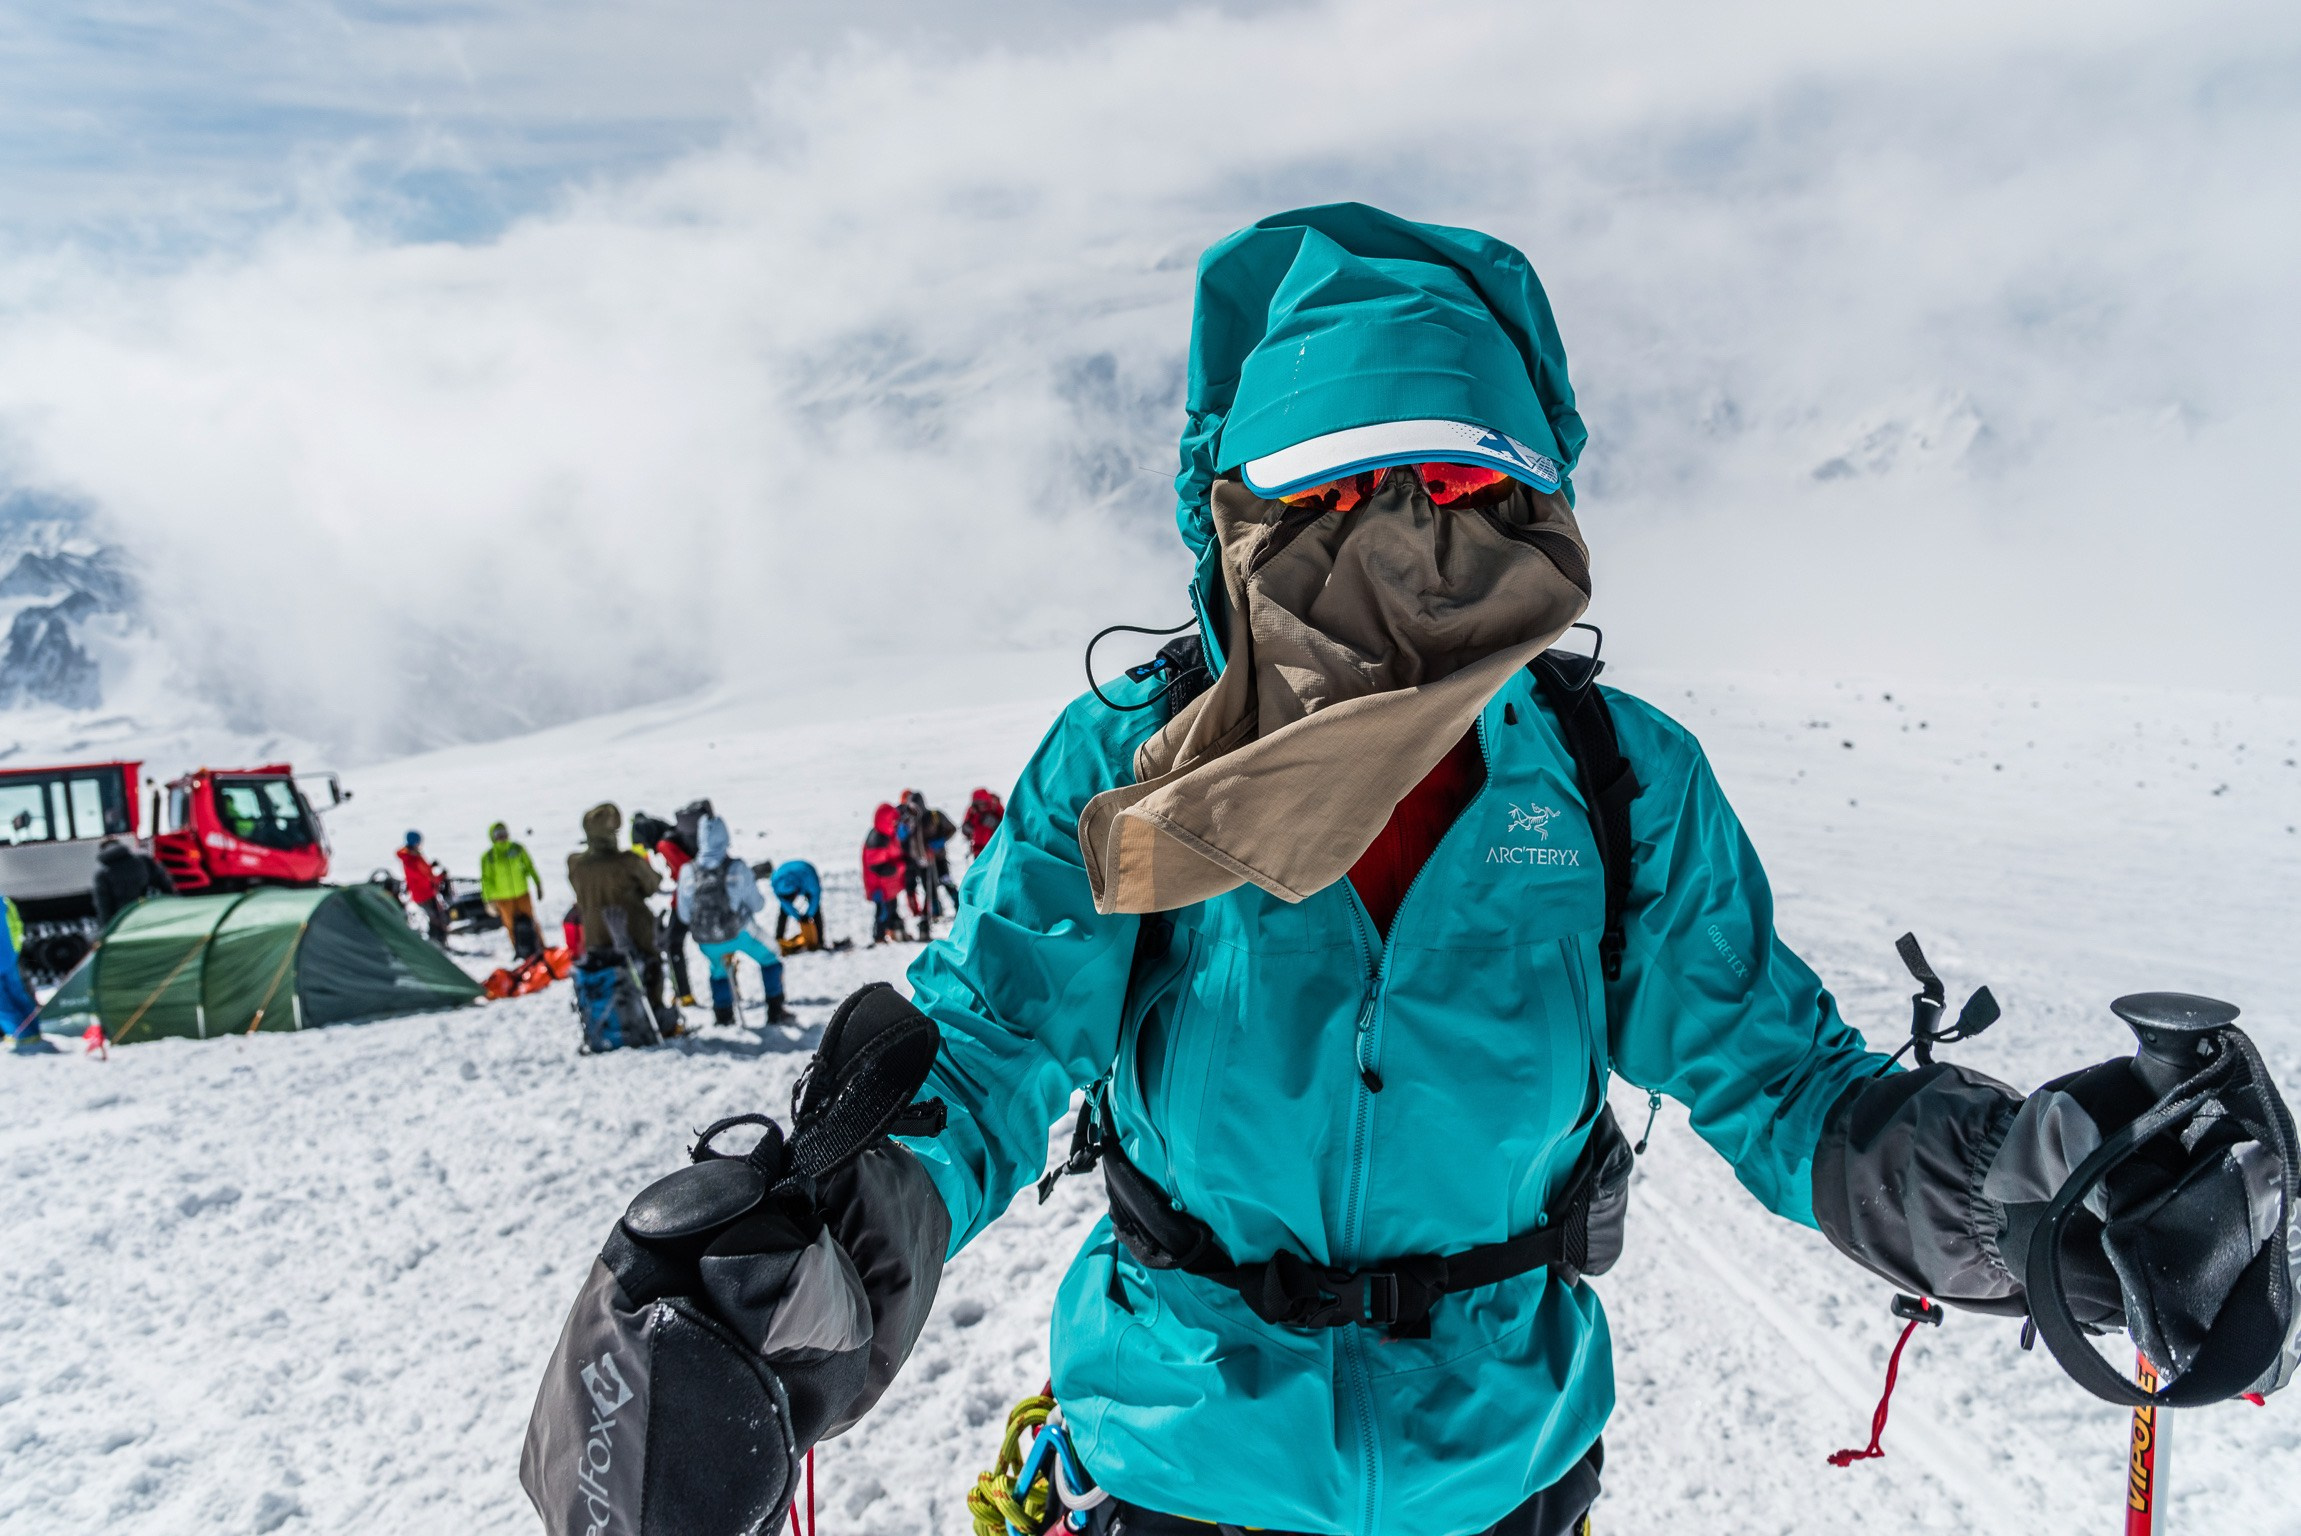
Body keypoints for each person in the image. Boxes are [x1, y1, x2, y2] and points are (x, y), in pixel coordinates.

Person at [608, 206, 2294, 1536]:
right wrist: (820, 1247)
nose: (1414, 543)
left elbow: (1783, 1078)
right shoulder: (1132, 772)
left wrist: (2016, 1196)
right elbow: (985, 1055)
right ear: (1244, 515)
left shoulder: (1621, 786)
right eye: (1348, 490)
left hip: (1502, 1478)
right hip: (1184, 1466)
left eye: (1469, 488)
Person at [675, 814, 795, 1027]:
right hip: (738, 933)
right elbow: (757, 904)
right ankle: (776, 1010)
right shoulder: (736, 868)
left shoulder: (688, 871)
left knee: (718, 970)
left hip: (705, 940)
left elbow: (684, 914)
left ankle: (723, 1016)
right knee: (770, 957)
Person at [565, 803, 664, 1011]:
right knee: (650, 965)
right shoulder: (628, 862)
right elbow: (652, 886)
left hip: (594, 936)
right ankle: (656, 1014)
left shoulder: (576, 864)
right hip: (633, 931)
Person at [633, 811, 697, 1007]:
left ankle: (683, 994)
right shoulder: (673, 836)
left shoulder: (664, 844)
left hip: (688, 901)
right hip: (696, 898)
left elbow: (686, 873)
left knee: (672, 944)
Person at [480, 822, 546, 958]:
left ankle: (540, 946)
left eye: (503, 833)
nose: (502, 837)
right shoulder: (489, 857)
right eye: (498, 834)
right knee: (510, 925)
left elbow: (529, 866)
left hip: (522, 893)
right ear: (493, 837)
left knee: (531, 920)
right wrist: (488, 900)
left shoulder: (517, 849)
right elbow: (486, 880)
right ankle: (519, 951)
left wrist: (538, 883)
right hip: (502, 898)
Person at [90, 838, 175, 926]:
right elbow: (165, 883)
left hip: (126, 922)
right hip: (152, 913)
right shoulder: (143, 860)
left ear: (102, 851)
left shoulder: (102, 875)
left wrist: (106, 930)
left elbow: (103, 906)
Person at [2, 893, 49, 1053]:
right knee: (19, 994)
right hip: (8, 957)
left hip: (7, 956)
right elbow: (16, 926)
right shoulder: (4, 901)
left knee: (3, 1003)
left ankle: (20, 1034)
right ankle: (33, 1029)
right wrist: (14, 950)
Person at [861, 803, 908, 944]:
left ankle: (892, 932)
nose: (895, 824)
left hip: (888, 884)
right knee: (883, 912)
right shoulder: (878, 838)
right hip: (879, 885)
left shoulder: (887, 834)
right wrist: (900, 867)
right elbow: (877, 867)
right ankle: (879, 936)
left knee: (891, 908)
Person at [396, 831, 449, 944]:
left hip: (426, 892)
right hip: (423, 894)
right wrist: (441, 877)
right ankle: (437, 943)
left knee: (436, 917)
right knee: (437, 919)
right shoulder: (411, 859)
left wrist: (431, 866)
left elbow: (424, 871)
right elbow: (424, 877)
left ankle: (438, 942)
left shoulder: (413, 856)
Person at [768, 858, 825, 953]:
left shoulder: (810, 880)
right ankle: (778, 939)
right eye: (787, 897)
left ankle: (819, 942)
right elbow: (785, 903)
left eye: (791, 896)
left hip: (806, 871)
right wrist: (798, 917)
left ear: (796, 891)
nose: (791, 900)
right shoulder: (776, 883)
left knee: (816, 910)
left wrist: (809, 914)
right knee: (783, 910)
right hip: (787, 873)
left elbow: (816, 896)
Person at [961, 787, 1004, 858]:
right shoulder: (972, 811)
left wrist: (995, 824)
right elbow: (964, 827)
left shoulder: (996, 808)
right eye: (978, 803)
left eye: (983, 803)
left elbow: (1007, 825)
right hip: (978, 851)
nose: (981, 806)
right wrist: (967, 828)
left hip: (995, 848)